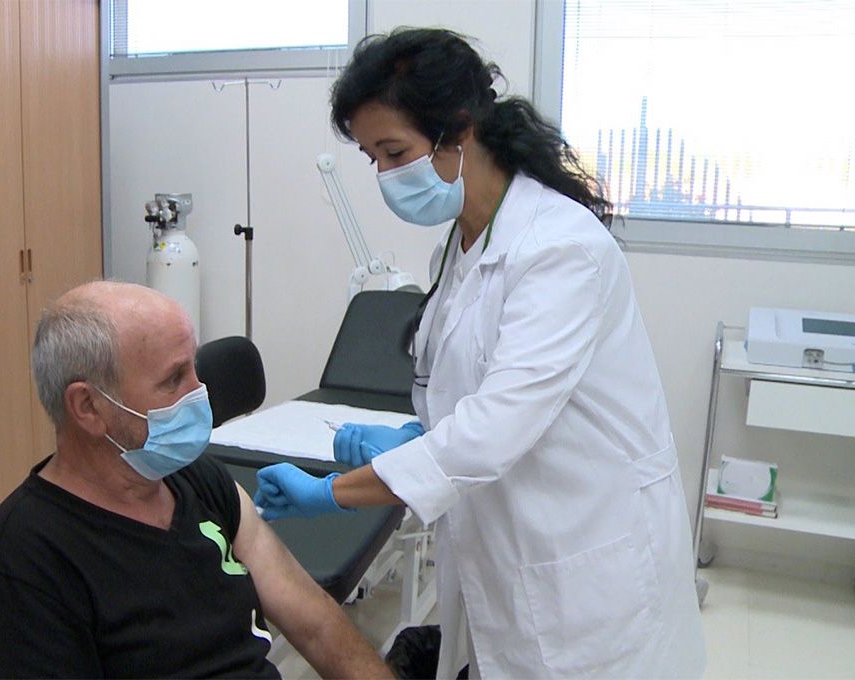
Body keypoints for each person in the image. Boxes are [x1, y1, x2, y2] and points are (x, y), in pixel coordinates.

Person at [254, 28, 706, 678]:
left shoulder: (559, 249)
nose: (384, 175)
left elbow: (491, 430)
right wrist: (416, 437)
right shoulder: (461, 247)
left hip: (582, 561)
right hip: (505, 547)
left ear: (459, 131)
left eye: (394, 151)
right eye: (371, 157)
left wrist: (334, 492)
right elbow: (465, 403)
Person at [0, 281, 392, 679]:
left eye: (194, 370)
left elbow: (316, 623)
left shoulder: (199, 482)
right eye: (174, 378)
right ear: (88, 407)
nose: (200, 394)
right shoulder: (18, 571)